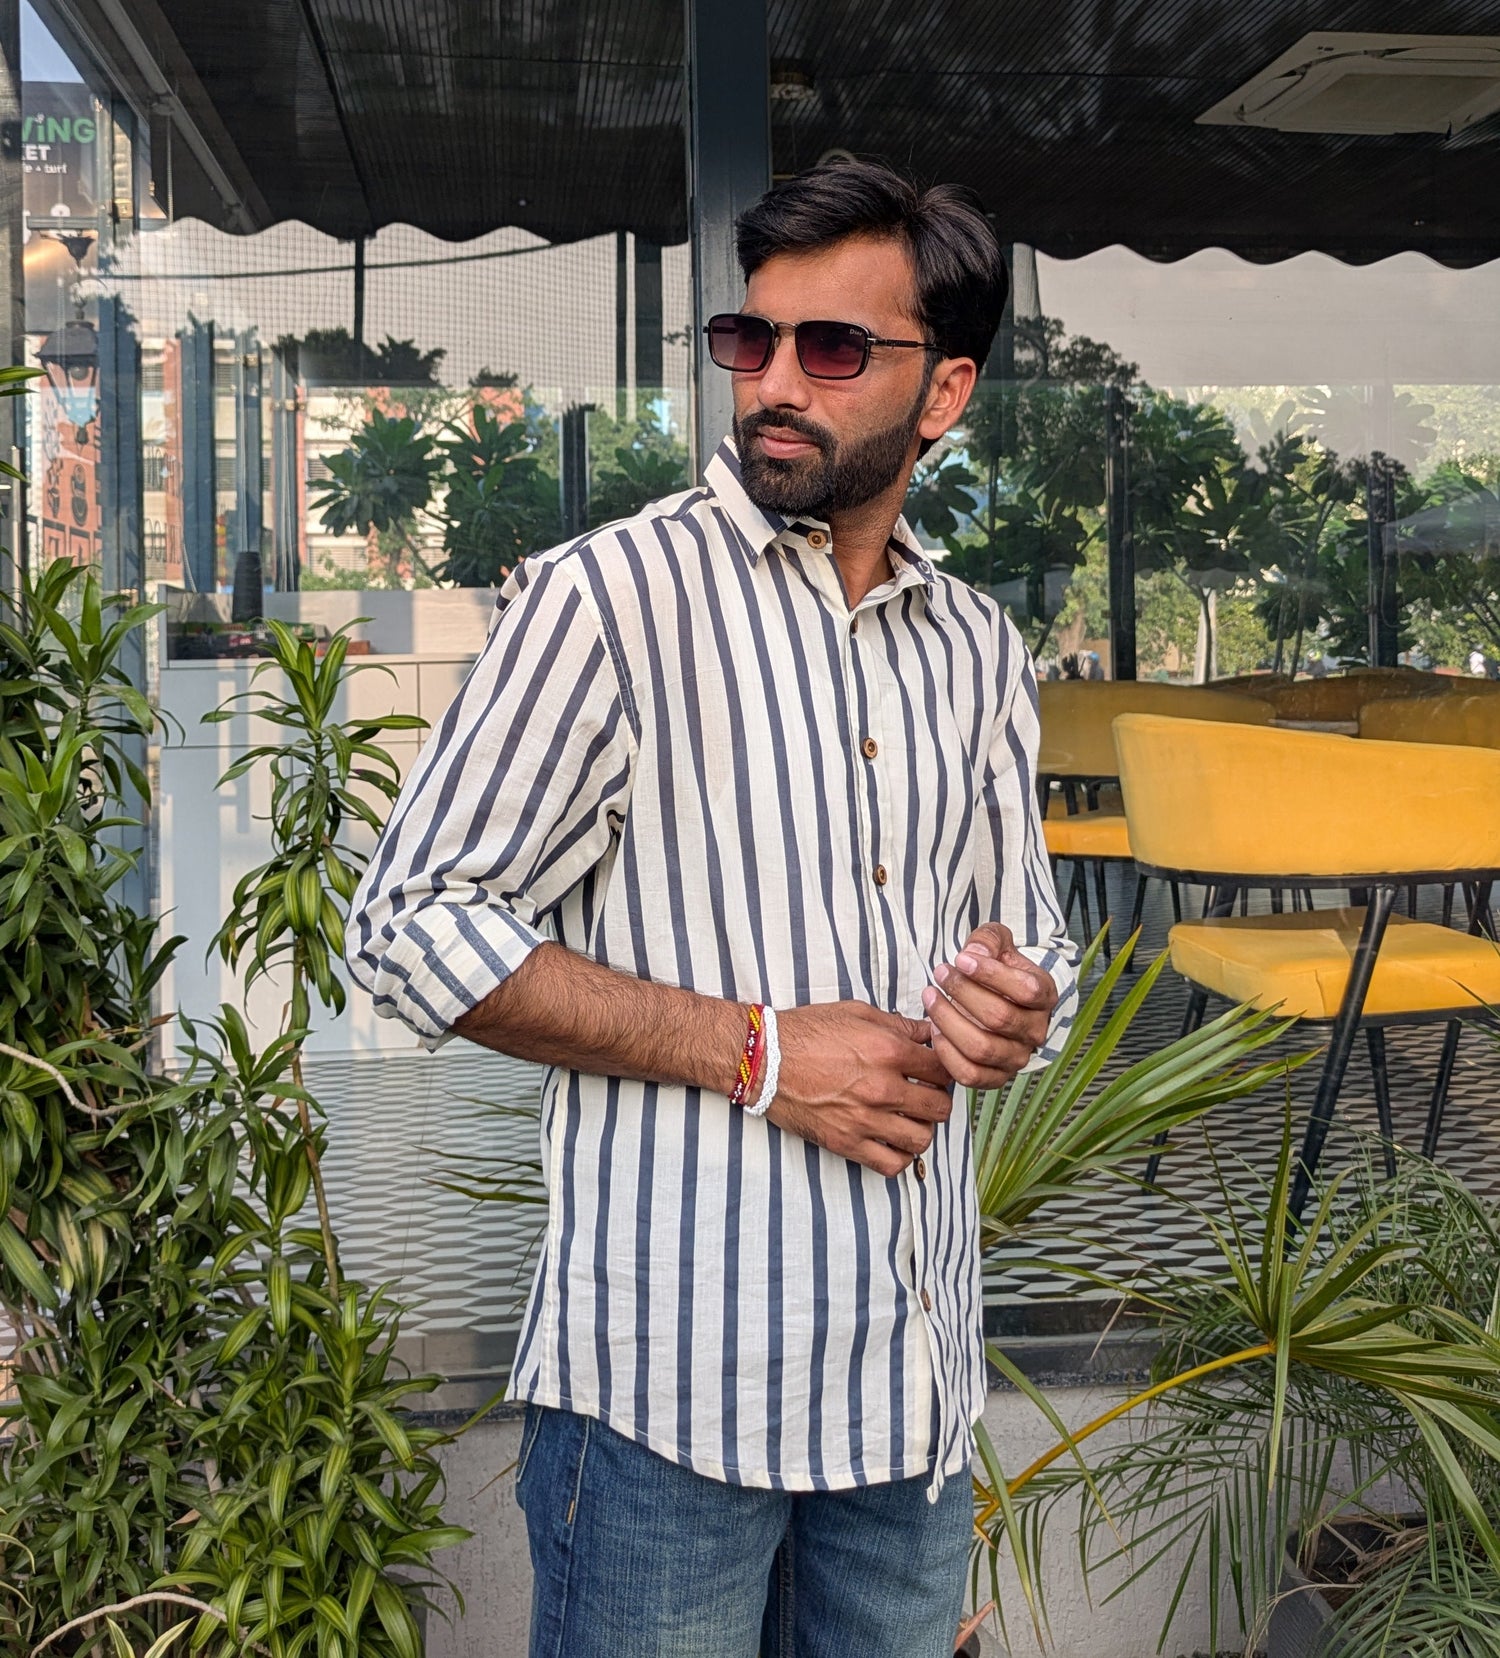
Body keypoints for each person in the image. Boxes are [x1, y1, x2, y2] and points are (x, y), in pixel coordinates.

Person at [347, 159, 1077, 1658]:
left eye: (831, 350)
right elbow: (411, 922)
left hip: (909, 1400)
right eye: (752, 342)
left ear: (943, 394)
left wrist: (1017, 1002)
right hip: (671, 1409)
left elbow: (1024, 931)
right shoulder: (609, 602)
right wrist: (757, 1049)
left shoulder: (982, 649)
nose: (773, 385)